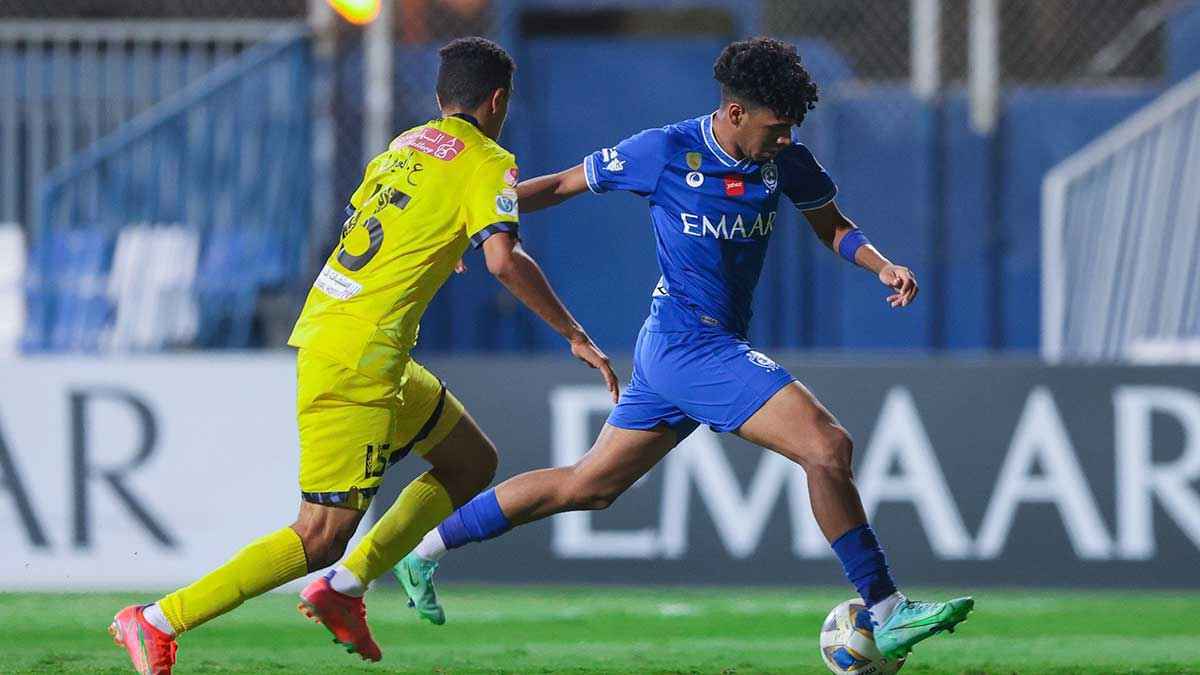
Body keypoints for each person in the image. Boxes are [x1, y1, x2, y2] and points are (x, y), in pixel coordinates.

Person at [395, 37, 972, 662]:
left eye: (790, 130)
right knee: (826, 446)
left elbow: (829, 224)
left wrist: (881, 266)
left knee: (588, 486)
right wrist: (470, 222)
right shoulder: (666, 151)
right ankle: (886, 609)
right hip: (687, 342)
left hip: (686, 347)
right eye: (775, 129)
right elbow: (562, 184)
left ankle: (425, 552)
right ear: (734, 113)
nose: (783, 140)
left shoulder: (787, 160)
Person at [108, 36, 618, 674]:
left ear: (441, 98)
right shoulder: (488, 160)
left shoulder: (407, 144)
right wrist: (574, 332)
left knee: (470, 463)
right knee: (319, 534)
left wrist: (464, 229)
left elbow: (383, 215)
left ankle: (345, 590)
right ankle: (156, 620)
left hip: (364, 343)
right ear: (497, 101)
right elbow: (503, 257)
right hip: (357, 357)